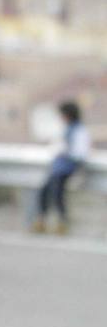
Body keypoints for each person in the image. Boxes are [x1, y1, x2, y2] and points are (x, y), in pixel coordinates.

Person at [32, 100, 92, 235]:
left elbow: (80, 153)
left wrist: (64, 152)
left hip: (68, 167)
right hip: (59, 168)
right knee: (45, 189)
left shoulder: (79, 130)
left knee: (57, 191)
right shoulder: (67, 129)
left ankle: (62, 222)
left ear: (68, 115)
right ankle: (42, 219)